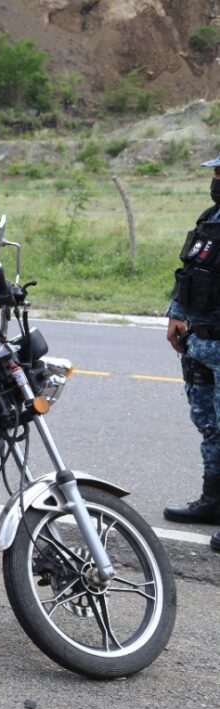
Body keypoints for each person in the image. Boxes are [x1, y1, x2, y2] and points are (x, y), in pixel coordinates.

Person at [163, 152, 220, 553]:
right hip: (200, 343)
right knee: (209, 425)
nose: (216, 180)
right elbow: (190, 272)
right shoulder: (210, 220)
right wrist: (176, 313)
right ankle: (213, 500)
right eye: (216, 172)